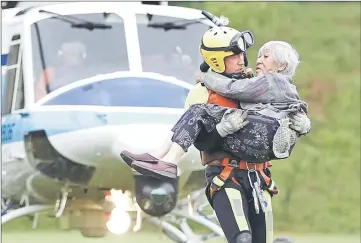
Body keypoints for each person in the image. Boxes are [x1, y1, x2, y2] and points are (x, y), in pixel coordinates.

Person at [121, 27, 311, 243]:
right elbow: (200, 141)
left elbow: (273, 111)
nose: (244, 60)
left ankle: (162, 159)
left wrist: (302, 122)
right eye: (235, 56)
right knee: (242, 239)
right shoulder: (203, 92)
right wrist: (222, 129)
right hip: (225, 174)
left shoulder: (255, 82)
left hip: (259, 176)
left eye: (243, 54)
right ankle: (161, 158)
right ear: (219, 60)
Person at [120, 37, 310, 181]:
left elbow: (232, 89)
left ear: (282, 66)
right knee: (200, 115)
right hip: (264, 143)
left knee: (198, 111)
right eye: (259, 56)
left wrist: (207, 76)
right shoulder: (285, 86)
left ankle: (167, 160)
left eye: (266, 56)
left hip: (261, 133)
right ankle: (157, 156)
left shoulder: (272, 80)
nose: (259, 60)